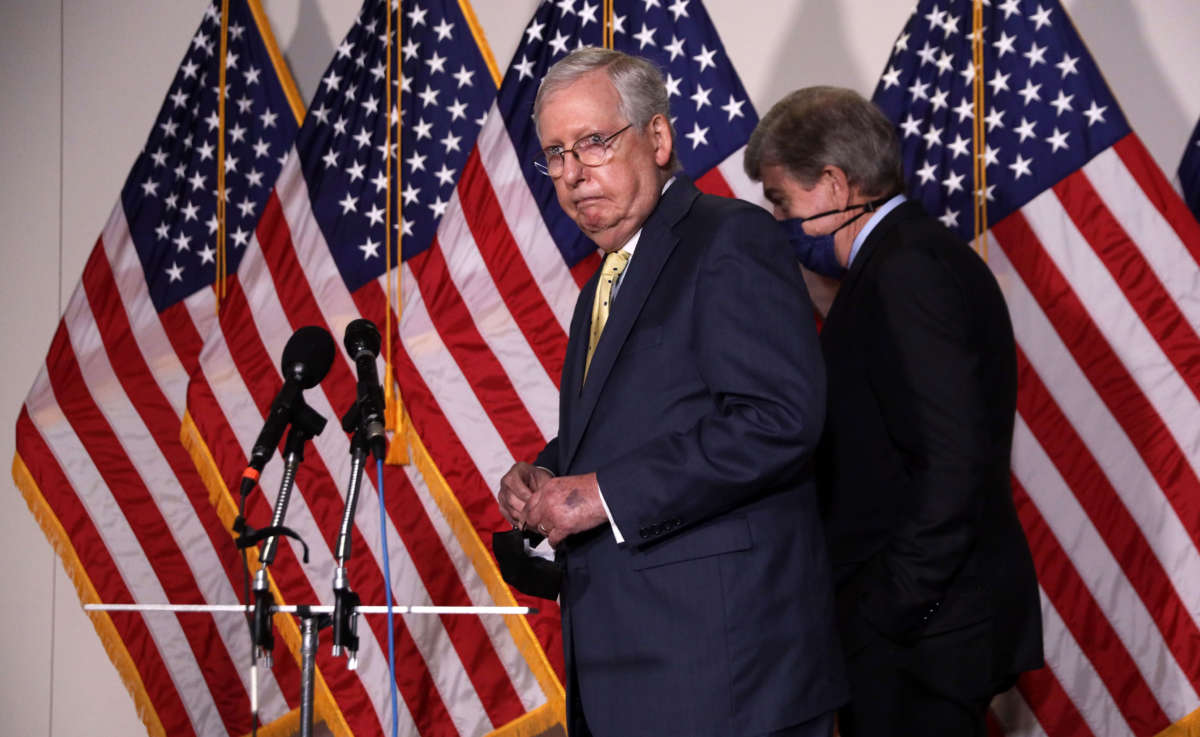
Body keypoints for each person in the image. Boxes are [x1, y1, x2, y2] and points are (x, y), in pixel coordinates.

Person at [496, 49, 846, 737]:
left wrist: (601, 494)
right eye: (556, 153)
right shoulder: (605, 282)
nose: (572, 174)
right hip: (632, 675)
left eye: (593, 142)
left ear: (657, 139)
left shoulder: (727, 239)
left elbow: (779, 418)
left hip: (727, 679)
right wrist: (548, 472)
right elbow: (644, 423)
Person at [744, 86, 1044, 736]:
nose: (775, 219)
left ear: (831, 183)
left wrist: (885, 611)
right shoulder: (908, 258)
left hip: (924, 638)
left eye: (779, 199)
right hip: (924, 629)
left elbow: (953, 462)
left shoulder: (906, 270)